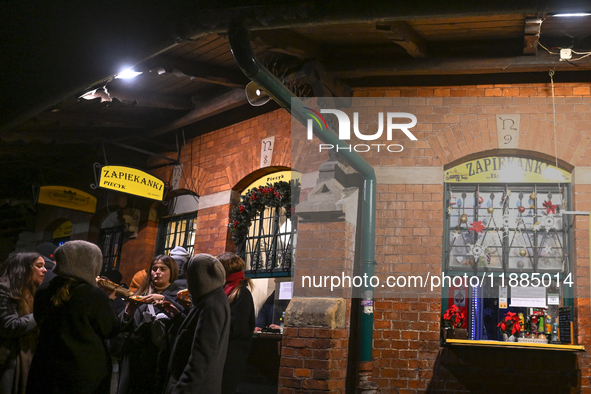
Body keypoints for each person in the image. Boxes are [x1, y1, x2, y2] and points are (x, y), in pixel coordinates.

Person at [27, 240, 120, 394]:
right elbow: (110, 330)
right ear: (89, 264)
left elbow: (40, 320)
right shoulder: (93, 294)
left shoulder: (44, 290)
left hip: (46, 369)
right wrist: (109, 303)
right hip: (84, 373)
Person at [164, 253, 230, 394]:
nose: (187, 282)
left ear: (199, 277)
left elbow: (201, 356)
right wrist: (178, 316)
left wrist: (181, 389)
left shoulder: (211, 305)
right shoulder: (211, 299)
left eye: (190, 277)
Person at [118, 255, 183, 394]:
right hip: (137, 359)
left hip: (161, 359)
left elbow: (183, 322)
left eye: (162, 269)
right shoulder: (141, 293)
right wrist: (128, 312)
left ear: (172, 271)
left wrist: (165, 300)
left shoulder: (179, 295)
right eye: (154, 269)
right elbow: (122, 326)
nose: (157, 272)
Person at [0, 252, 45, 394]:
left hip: (27, 356)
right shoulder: (5, 288)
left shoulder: (32, 290)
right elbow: (8, 326)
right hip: (10, 359)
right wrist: (40, 314)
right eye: (39, 266)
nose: (44, 270)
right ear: (24, 268)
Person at [218, 252, 255, 394]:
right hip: (222, 352)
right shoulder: (225, 290)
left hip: (231, 354)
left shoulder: (241, 294)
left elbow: (235, 327)